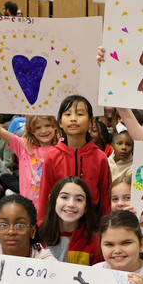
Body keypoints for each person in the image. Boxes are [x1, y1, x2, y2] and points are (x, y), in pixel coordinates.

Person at [38, 95, 111, 225]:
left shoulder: (100, 157)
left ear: (91, 121)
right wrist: (41, 223)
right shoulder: (52, 156)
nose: (73, 118)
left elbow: (106, 196)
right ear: (60, 122)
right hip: (59, 222)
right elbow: (44, 194)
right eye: (67, 114)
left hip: (91, 223)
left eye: (79, 114)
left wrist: (107, 224)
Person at [0, 111, 58, 206]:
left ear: (55, 126)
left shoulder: (62, 146)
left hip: (53, 207)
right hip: (28, 207)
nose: (44, 131)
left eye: (47, 125)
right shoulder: (24, 146)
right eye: (38, 127)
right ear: (31, 130)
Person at [38, 176, 103, 265]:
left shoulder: (94, 242)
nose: (71, 204)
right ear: (52, 200)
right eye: (64, 197)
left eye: (79, 199)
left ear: (86, 207)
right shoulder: (36, 232)